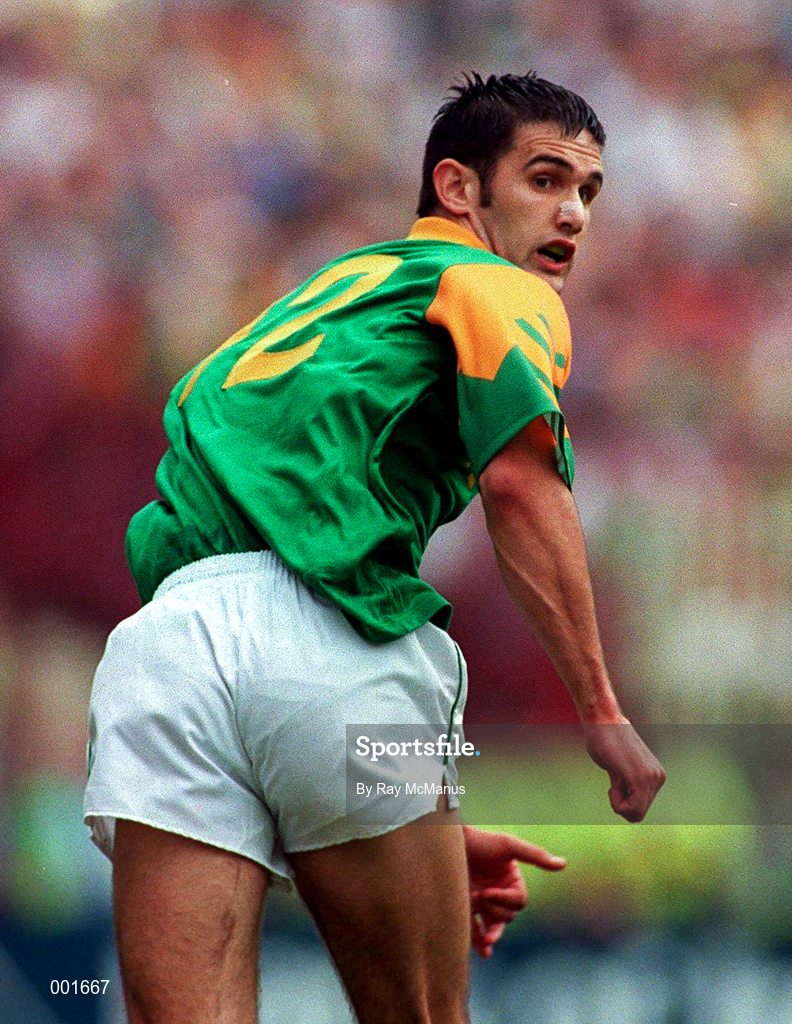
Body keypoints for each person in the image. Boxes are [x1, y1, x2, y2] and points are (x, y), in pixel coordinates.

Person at [84, 71, 666, 1024]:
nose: (573, 212)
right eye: (547, 179)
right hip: (340, 644)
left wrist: (421, 837)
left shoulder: (335, 291)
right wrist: (600, 709)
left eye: (588, 193)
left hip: (166, 655)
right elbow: (519, 483)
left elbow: (259, 666)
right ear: (457, 188)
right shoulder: (494, 284)